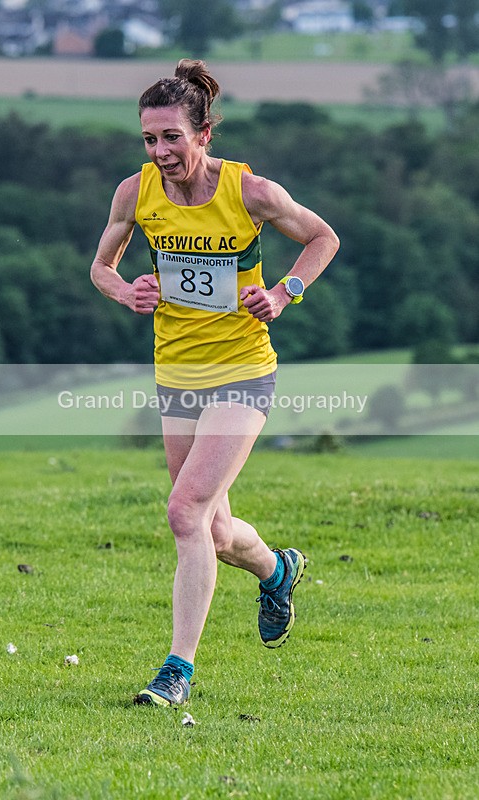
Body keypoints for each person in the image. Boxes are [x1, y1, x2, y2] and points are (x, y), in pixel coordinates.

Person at [90, 59, 339, 707]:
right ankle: (277, 569)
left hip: (243, 374)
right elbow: (100, 266)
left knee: (183, 511)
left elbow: (320, 237)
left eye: (171, 136)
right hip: (176, 376)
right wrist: (126, 291)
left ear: (203, 134)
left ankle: (176, 671)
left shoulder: (249, 193)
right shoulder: (134, 193)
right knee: (216, 531)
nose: (160, 151)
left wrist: (285, 293)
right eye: (149, 138)